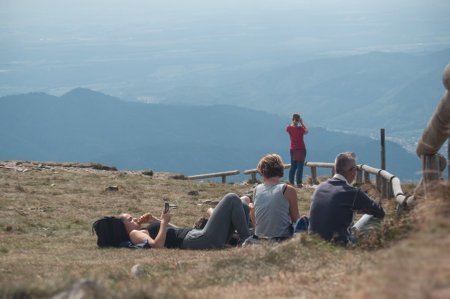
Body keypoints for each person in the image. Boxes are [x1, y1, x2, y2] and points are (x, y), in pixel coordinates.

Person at [118, 193, 256, 249]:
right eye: (130, 219)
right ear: (124, 227)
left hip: (196, 235)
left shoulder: (143, 229)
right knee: (232, 198)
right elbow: (156, 245)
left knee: (242, 205)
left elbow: (176, 231)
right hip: (195, 239)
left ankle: (247, 238)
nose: (135, 219)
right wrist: (164, 223)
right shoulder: (134, 233)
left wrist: (156, 220)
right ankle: (247, 240)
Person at [308, 152, 385, 244]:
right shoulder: (353, 193)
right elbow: (380, 212)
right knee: (371, 217)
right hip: (339, 247)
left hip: (313, 244)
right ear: (352, 170)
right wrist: (361, 210)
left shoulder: (320, 187)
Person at [250, 154, 306, 240]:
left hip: (260, 238)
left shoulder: (256, 190)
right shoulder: (287, 189)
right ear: (280, 169)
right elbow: (296, 220)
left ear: (262, 172)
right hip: (281, 238)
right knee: (305, 221)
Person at [286, 112, 308, 187]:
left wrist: (294, 123)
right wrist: (302, 123)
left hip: (292, 149)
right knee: (300, 167)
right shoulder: (300, 129)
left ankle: (291, 182)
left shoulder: (288, 128)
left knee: (293, 166)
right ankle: (298, 183)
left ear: (292, 119)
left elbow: (289, 128)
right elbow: (306, 132)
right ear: (299, 120)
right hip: (300, 149)